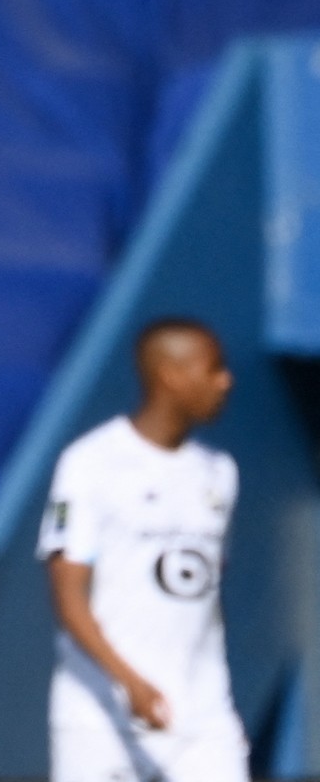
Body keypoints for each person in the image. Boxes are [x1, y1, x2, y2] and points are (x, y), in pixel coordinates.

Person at [38, 317, 247, 782]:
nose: (225, 381)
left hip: (201, 715)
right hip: (101, 716)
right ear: (171, 376)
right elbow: (69, 598)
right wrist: (128, 680)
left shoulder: (219, 472)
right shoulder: (90, 463)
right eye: (213, 369)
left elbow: (207, 592)